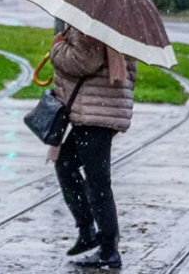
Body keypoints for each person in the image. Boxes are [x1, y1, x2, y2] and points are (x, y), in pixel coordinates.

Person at [48, 25, 137, 269]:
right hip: (101, 107)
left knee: (97, 180)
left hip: (95, 111)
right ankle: (88, 230)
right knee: (66, 164)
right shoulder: (117, 25)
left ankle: (108, 248)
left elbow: (83, 61)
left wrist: (57, 48)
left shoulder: (92, 25)